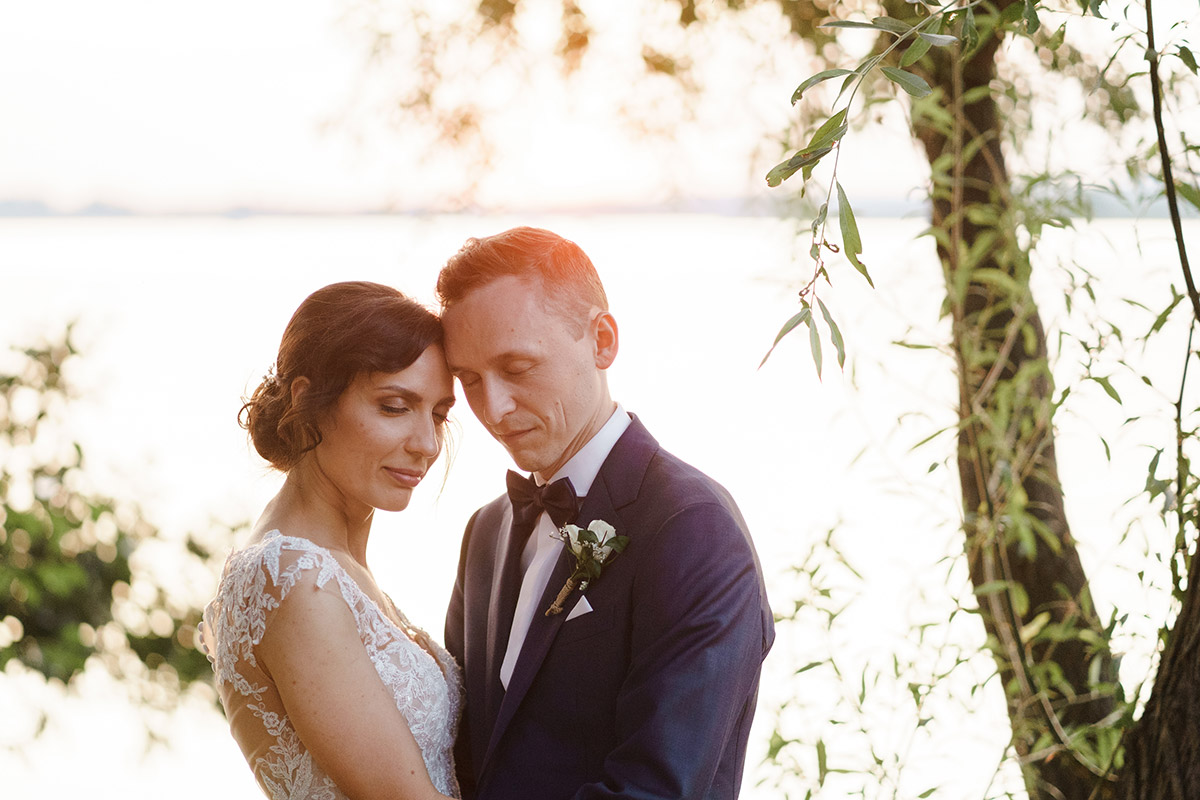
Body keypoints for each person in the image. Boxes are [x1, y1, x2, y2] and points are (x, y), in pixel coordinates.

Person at [439, 227, 774, 800]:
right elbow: (462, 759)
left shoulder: (693, 527)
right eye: (469, 380)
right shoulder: (487, 532)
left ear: (602, 339)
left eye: (516, 368)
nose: (492, 408)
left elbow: (657, 788)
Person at [201, 281, 462, 800]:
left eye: (437, 413)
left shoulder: (333, 567)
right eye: (394, 406)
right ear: (308, 400)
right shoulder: (294, 580)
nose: (427, 444)